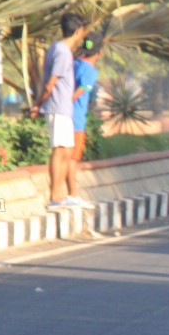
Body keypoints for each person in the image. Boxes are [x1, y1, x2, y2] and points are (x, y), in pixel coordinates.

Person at [31, 12, 86, 208]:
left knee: (66, 151)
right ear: (78, 31)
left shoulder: (58, 49)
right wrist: (38, 104)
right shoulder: (62, 52)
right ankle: (55, 196)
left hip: (64, 109)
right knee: (60, 151)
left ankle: (59, 195)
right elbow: (50, 83)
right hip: (58, 107)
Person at [64, 30, 102, 209]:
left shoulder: (73, 64)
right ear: (99, 53)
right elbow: (78, 93)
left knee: (62, 157)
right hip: (76, 120)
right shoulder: (90, 72)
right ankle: (72, 194)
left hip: (64, 117)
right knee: (72, 159)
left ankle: (65, 194)